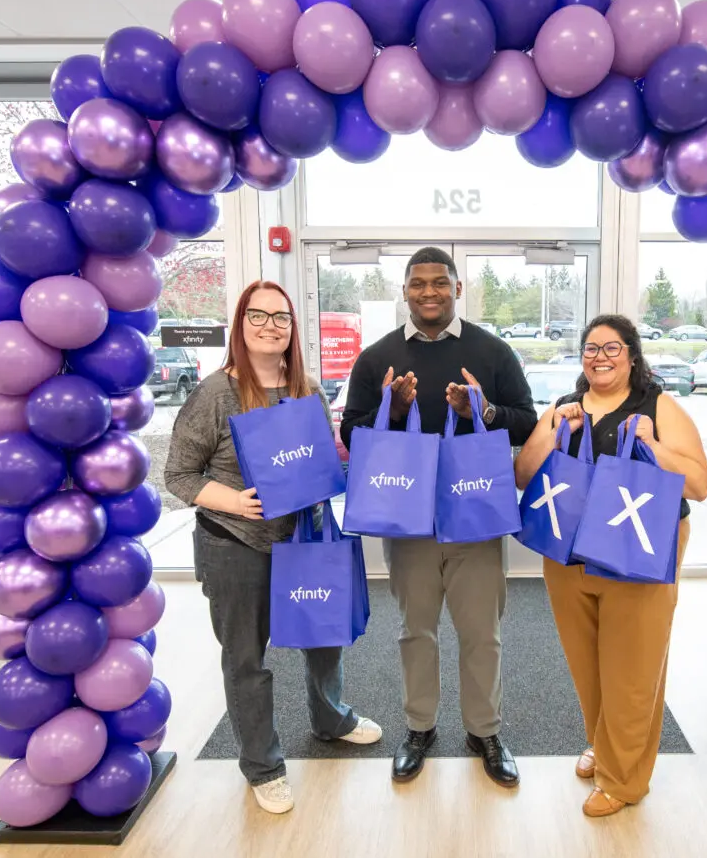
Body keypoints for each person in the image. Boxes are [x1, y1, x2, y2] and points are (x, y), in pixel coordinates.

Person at [166, 281, 382, 815]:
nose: (270, 326)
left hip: (304, 536)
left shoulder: (306, 386)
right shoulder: (216, 393)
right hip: (236, 543)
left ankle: (332, 720)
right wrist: (235, 503)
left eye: (281, 317)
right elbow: (178, 473)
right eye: (258, 316)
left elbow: (322, 457)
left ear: (292, 326)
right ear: (240, 324)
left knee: (322, 638)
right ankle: (263, 766)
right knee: (246, 659)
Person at [341, 247, 537, 787]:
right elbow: (351, 433)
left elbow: (526, 420)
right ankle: (419, 726)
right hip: (409, 520)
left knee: (482, 633)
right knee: (416, 630)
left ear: (456, 289)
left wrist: (483, 410)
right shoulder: (376, 357)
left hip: (474, 516)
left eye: (439, 283)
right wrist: (395, 411)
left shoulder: (492, 352)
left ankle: (484, 730)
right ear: (405, 291)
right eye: (418, 283)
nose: (429, 292)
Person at [513, 314, 707, 818]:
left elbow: (698, 485)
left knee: (633, 669)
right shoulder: (564, 407)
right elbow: (523, 475)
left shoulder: (658, 406)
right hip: (569, 551)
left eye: (612, 348)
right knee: (588, 664)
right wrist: (556, 430)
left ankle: (624, 780)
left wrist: (651, 443)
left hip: (637, 552)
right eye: (591, 348)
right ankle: (602, 744)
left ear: (632, 355)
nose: (600, 357)